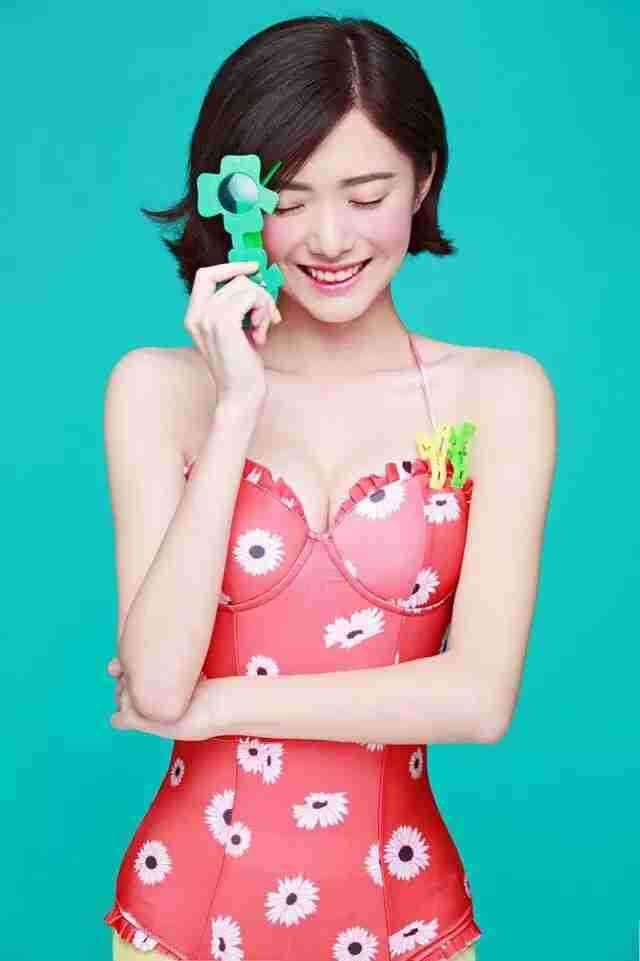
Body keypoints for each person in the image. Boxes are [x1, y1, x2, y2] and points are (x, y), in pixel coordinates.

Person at [103, 15, 557, 961]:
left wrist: (220, 708)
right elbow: (156, 679)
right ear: (234, 198)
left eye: (366, 194)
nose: (329, 236)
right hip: (179, 922)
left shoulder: (500, 394)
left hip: (407, 924)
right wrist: (237, 405)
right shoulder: (158, 389)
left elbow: (479, 699)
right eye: (289, 197)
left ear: (423, 182)